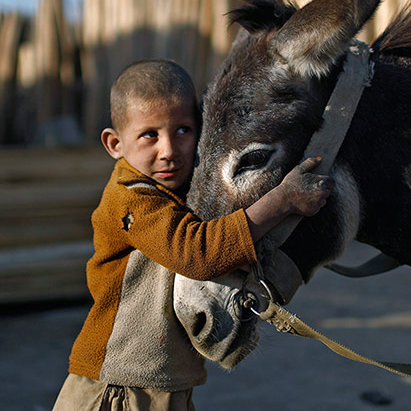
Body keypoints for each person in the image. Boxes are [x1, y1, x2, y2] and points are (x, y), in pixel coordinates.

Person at [53, 59, 334, 411]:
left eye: (183, 130)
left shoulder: (178, 191)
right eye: (149, 135)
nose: (168, 150)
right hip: (118, 384)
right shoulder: (131, 198)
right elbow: (196, 253)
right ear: (115, 143)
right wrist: (281, 201)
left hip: (166, 382)